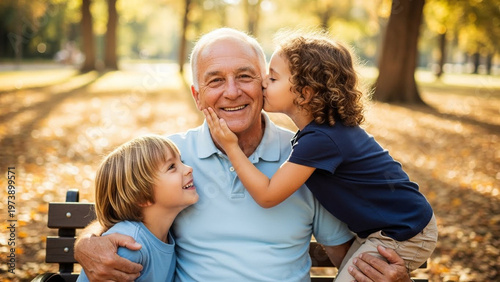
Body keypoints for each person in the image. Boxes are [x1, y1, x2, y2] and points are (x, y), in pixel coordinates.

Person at [74, 27, 413, 282]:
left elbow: (346, 256)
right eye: (216, 80)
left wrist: (390, 276)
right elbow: (125, 217)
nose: (232, 92)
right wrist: (86, 245)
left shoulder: (307, 160)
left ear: (265, 84)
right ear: (197, 95)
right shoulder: (171, 160)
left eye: (245, 76)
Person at [204, 30, 438, 281]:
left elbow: (268, 195)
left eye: (272, 79)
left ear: (304, 93)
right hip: (392, 226)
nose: (262, 83)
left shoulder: (321, 140)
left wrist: (231, 148)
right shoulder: (323, 133)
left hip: (402, 230)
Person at [77, 135, 198, 282]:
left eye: (182, 161)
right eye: (172, 167)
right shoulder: (130, 247)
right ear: (142, 196)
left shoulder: (163, 235)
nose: (189, 169)